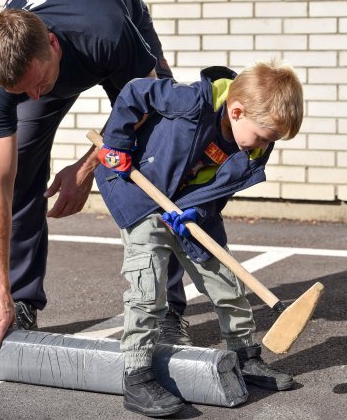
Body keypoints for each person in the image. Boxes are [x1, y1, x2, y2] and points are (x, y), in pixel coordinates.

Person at [0, 0, 189, 352]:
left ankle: (167, 309)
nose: (35, 98)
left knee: (156, 155)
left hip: (114, 17)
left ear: (53, 44)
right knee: (17, 172)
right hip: (54, 51)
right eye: (22, 92)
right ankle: (18, 299)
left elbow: (146, 106)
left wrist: (87, 167)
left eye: (38, 84)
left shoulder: (106, 31)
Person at [95, 60, 303, 417]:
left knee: (225, 279)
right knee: (148, 288)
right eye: (265, 136)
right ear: (236, 111)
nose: (265, 146)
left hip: (192, 210)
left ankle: (246, 356)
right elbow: (133, 92)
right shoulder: (190, 100)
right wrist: (117, 143)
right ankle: (137, 375)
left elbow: (220, 187)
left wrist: (196, 212)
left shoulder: (253, 145)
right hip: (141, 194)